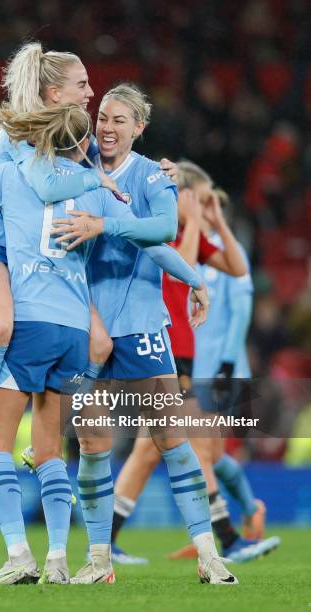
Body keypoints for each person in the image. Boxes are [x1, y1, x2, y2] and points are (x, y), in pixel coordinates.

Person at [0, 102, 207, 585]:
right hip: (75, 333)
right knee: (50, 449)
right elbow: (156, 241)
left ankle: (19, 554)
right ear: (82, 143)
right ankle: (59, 559)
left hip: (30, 325)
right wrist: (194, 279)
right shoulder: (96, 189)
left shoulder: (10, 174)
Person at [0, 41, 178, 488]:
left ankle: (41, 448)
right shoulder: (16, 132)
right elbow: (10, 188)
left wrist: (159, 172)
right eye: (83, 84)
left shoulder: (81, 138)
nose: (92, 92)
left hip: (43, 258)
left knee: (98, 344)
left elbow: (111, 171)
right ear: (54, 93)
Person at [52, 84, 238, 586]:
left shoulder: (153, 176)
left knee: (171, 440)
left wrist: (193, 278)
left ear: (139, 128)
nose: (107, 127)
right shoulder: (75, 167)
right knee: (92, 443)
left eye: (119, 120)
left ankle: (208, 555)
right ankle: (98, 561)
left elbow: (158, 234)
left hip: (139, 326)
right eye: (102, 118)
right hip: (83, 325)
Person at [168, 188, 280, 562]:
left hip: (221, 370)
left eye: (202, 205)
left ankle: (221, 536)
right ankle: (247, 513)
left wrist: (229, 365)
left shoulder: (223, 252)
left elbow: (241, 311)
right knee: (210, 454)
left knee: (201, 453)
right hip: (194, 365)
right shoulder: (187, 245)